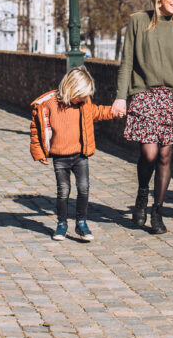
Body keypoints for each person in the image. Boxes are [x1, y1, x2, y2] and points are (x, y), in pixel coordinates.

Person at [112, 0, 173, 235]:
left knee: (165, 155)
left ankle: (157, 211)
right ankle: (142, 193)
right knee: (149, 154)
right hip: (145, 95)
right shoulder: (138, 21)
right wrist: (120, 96)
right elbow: (127, 61)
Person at [29, 66, 116, 242]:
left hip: (80, 156)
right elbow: (36, 130)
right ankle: (62, 224)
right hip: (60, 157)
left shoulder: (84, 104)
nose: (85, 99)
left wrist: (113, 112)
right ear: (72, 89)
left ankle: (81, 222)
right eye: (82, 95)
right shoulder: (49, 105)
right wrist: (39, 152)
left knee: (83, 189)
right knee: (63, 191)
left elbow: (97, 112)